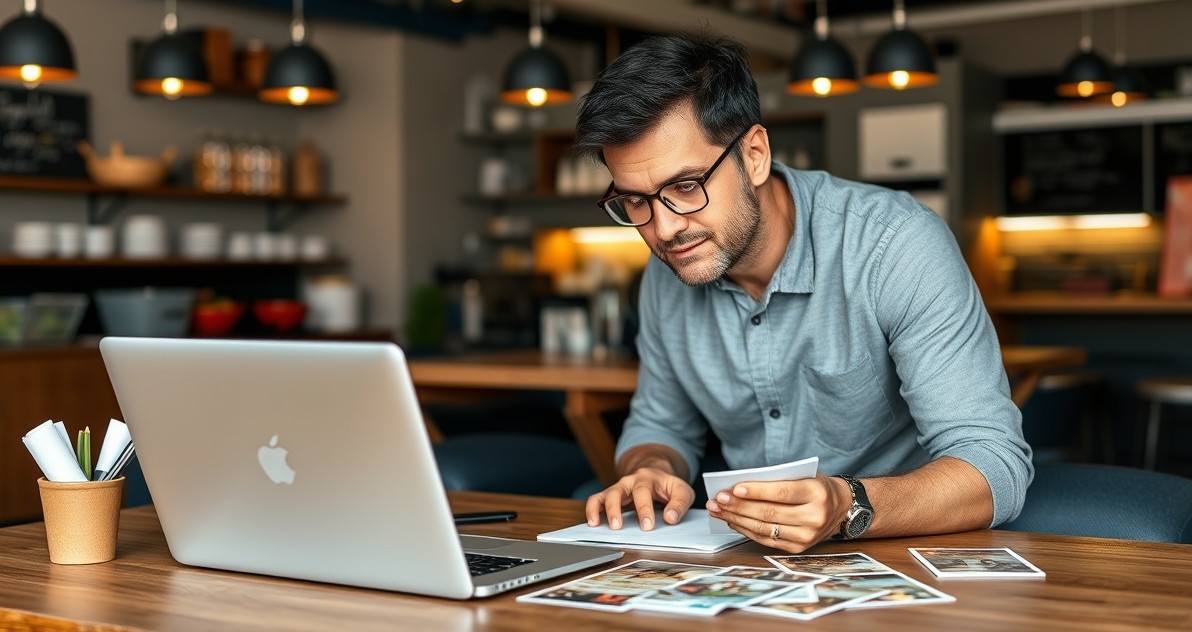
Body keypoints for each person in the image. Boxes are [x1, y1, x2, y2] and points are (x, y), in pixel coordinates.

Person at [574, 33, 1032, 553]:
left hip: (902, 553)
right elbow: (660, 423)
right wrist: (649, 468)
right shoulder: (667, 276)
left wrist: (846, 505)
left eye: (685, 187)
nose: (663, 229)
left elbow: (992, 463)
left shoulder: (895, 245)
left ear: (754, 155)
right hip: (751, 568)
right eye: (635, 202)